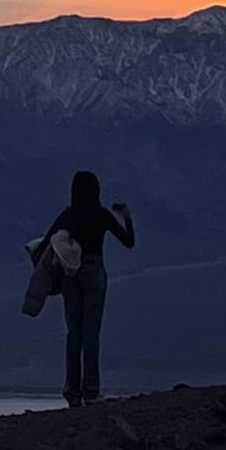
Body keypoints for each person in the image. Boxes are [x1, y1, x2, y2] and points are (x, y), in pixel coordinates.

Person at [42, 169, 134, 406]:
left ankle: (72, 393)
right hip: (94, 271)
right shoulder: (101, 214)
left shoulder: (68, 215)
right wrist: (127, 217)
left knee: (74, 333)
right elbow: (128, 242)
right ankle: (91, 392)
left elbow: (46, 241)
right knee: (91, 334)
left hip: (70, 276)